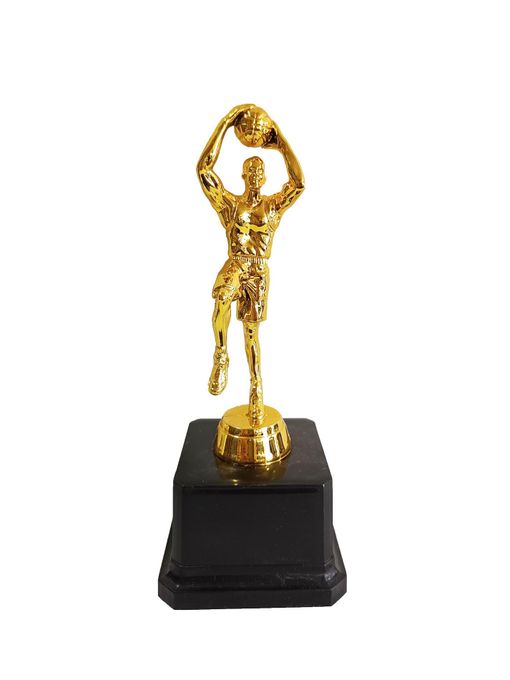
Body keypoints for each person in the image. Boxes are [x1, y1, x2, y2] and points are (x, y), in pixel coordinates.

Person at [197, 104, 305, 424]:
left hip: (258, 270)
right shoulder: (231, 206)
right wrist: (226, 123)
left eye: (260, 172)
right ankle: (220, 354)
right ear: (244, 176)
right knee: (221, 297)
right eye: (250, 172)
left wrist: (279, 141)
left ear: (264, 177)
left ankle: (256, 387)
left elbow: (298, 184)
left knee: (251, 333)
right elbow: (203, 170)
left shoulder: (272, 208)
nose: (255, 176)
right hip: (237, 263)